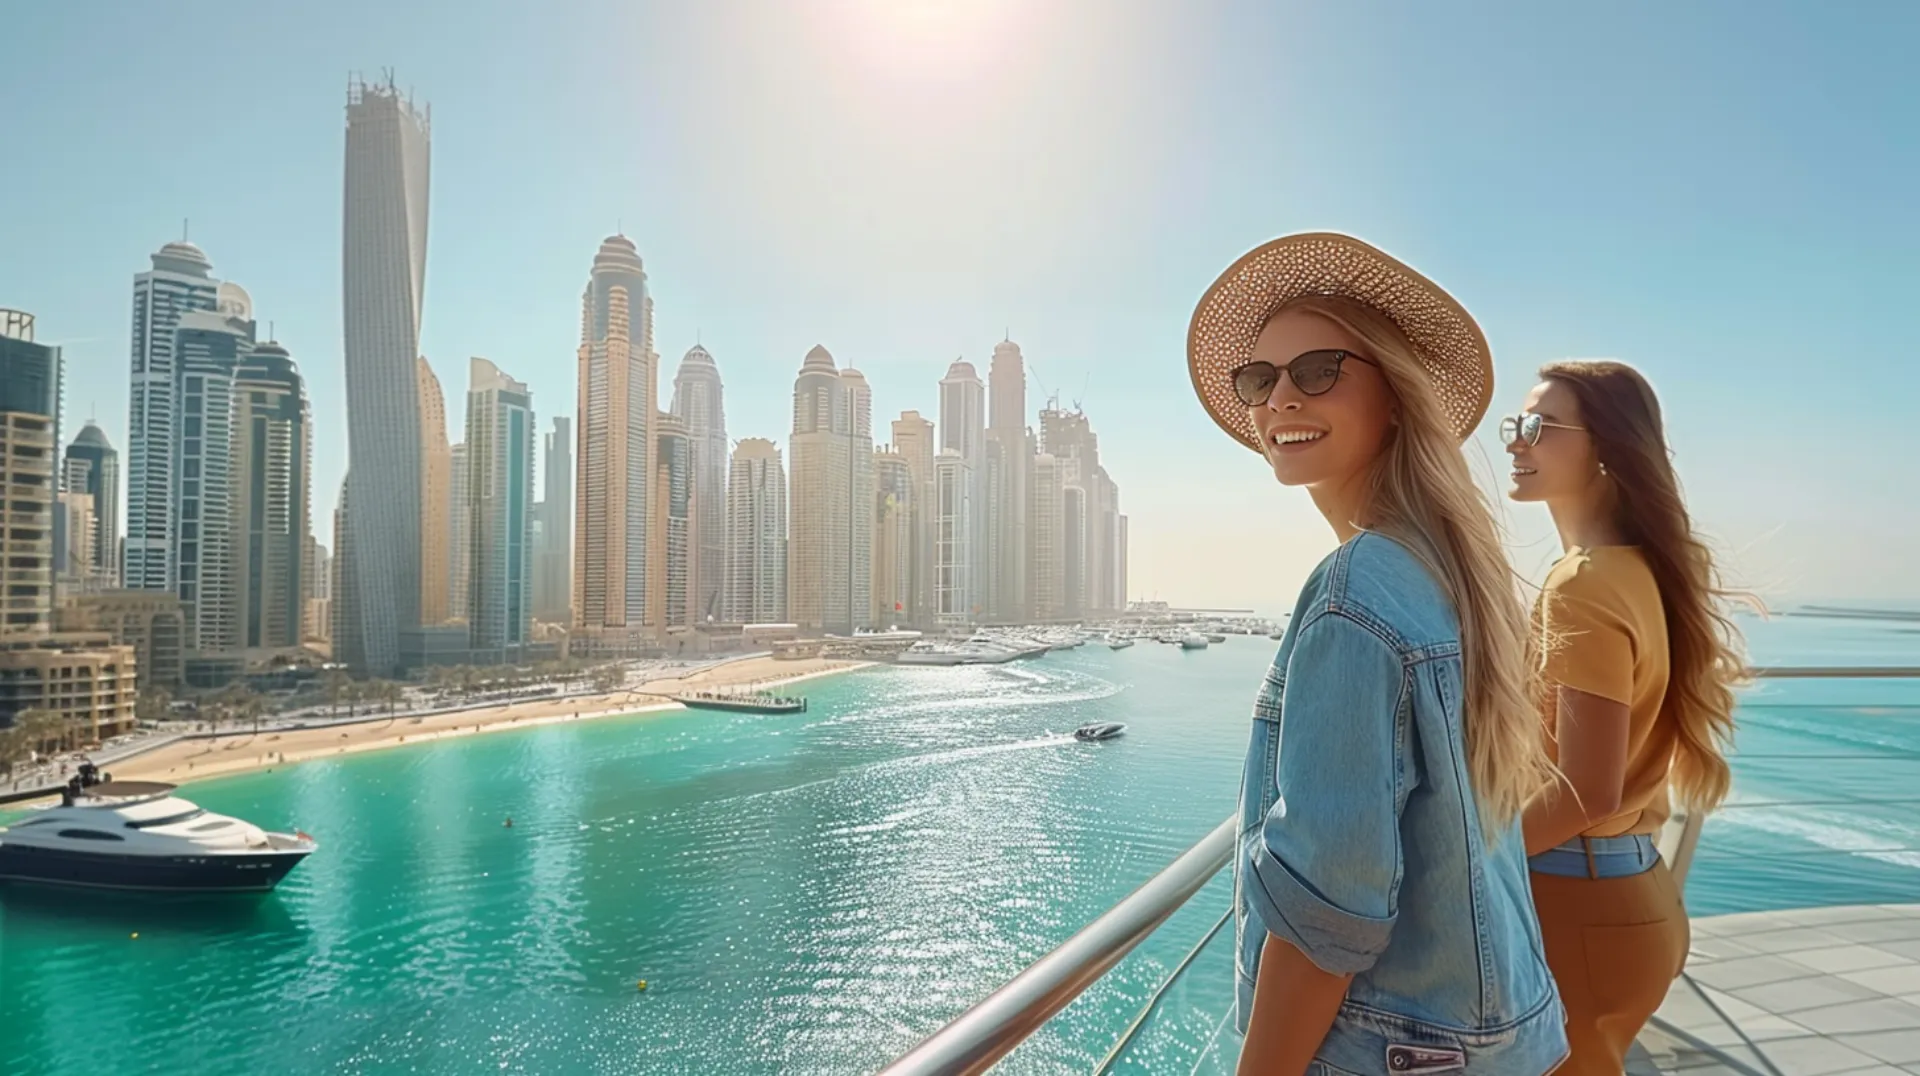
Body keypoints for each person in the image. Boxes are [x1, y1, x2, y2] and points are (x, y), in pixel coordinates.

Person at [1191, 233, 1567, 1075]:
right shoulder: (1448, 571)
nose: (1279, 398)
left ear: (1393, 393)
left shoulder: (1354, 592)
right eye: (1259, 379)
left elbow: (1328, 920)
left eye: (1317, 370)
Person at [1505, 360, 1745, 1073]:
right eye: (1516, 425)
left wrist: (1465, 865)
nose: (1516, 442)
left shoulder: (1583, 582)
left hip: (1577, 909)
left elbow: (1585, 789)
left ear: (1606, 447)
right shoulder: (1639, 570)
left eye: (1539, 427)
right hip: (1635, 896)